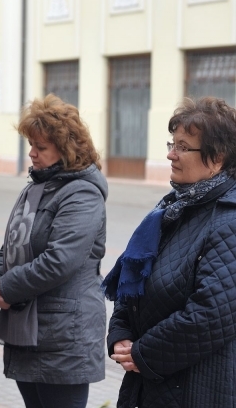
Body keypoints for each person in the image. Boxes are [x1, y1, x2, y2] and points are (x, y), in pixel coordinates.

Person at [105, 96, 236, 408]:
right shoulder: (171, 209)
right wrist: (121, 333)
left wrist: (143, 353)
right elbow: (133, 281)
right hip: (151, 383)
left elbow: (211, 315)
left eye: (182, 147)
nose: (170, 154)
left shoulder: (229, 220)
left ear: (216, 157)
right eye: (171, 143)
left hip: (196, 388)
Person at [0, 94, 107, 408]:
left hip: (65, 336)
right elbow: (12, 243)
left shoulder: (82, 193)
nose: (32, 153)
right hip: (32, 329)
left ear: (65, 150)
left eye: (41, 147)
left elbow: (60, 260)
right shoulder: (38, 185)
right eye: (31, 144)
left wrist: (8, 288)